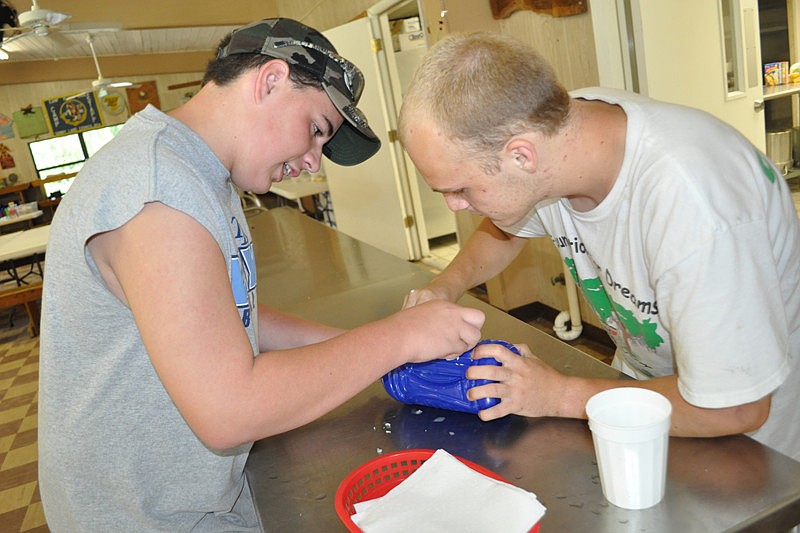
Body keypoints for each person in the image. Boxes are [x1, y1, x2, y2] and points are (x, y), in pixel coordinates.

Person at [38, 18, 485, 531]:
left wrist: (370, 349)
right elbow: (229, 411)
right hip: (148, 516)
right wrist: (398, 337)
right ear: (270, 80)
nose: (313, 163)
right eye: (316, 129)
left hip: (186, 495)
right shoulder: (159, 190)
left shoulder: (197, 172)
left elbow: (224, 314)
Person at [398, 32, 800, 461]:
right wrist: (443, 289)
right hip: (637, 396)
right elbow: (507, 230)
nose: (455, 206)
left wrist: (559, 394)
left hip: (748, 448)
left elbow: (737, 409)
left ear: (522, 156)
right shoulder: (563, 131)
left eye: (460, 188)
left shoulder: (695, 205)